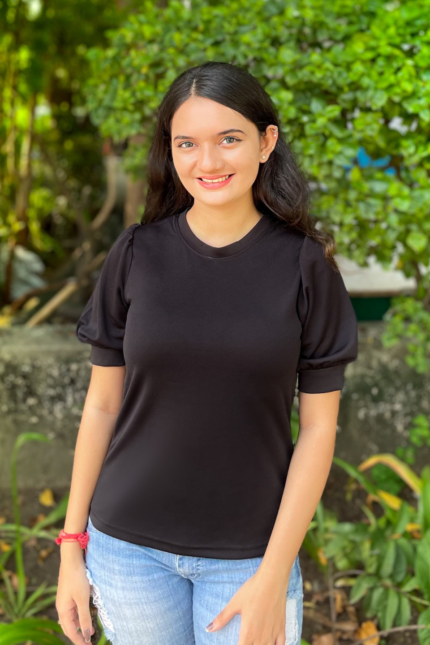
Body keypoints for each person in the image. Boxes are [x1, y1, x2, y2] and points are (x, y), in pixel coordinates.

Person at [55, 61, 358, 645]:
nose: (208, 162)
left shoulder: (305, 266)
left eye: (230, 139)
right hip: (127, 551)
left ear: (266, 143)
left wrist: (274, 575)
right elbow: (102, 406)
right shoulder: (135, 253)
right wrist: (72, 546)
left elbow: (320, 430)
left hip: (250, 558)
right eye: (187, 143)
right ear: (170, 152)